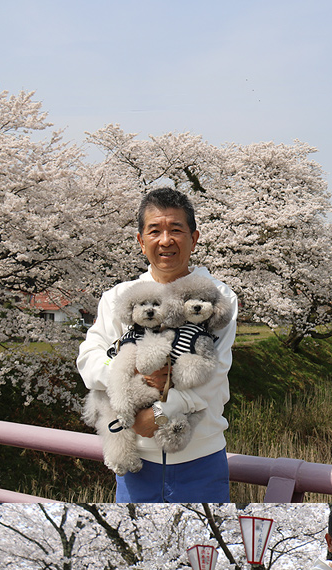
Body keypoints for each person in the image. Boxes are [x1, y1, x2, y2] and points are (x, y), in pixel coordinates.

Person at [77, 187, 237, 503]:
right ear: (141, 241)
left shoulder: (218, 298)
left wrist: (161, 411)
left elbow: (214, 373)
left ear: (194, 237)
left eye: (176, 230)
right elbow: (89, 358)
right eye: (155, 231)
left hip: (201, 458)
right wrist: (129, 372)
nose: (166, 240)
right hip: (136, 460)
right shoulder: (118, 298)